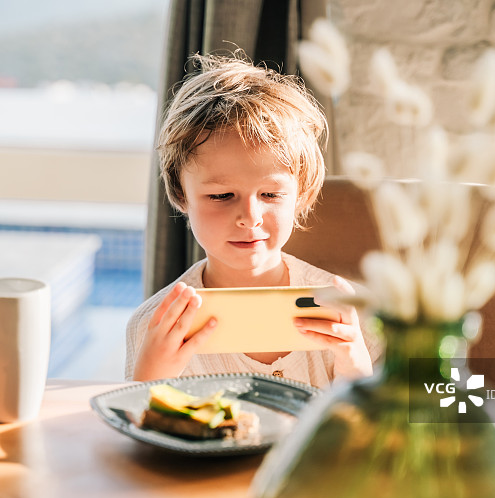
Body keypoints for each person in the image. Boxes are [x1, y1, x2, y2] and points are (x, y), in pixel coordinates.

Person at [125, 53, 374, 388]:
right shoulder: (151, 328)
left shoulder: (356, 317)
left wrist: (355, 366)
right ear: (181, 195)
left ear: (301, 195)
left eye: (270, 195)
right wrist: (149, 380)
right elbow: (142, 434)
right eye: (221, 196)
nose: (249, 218)